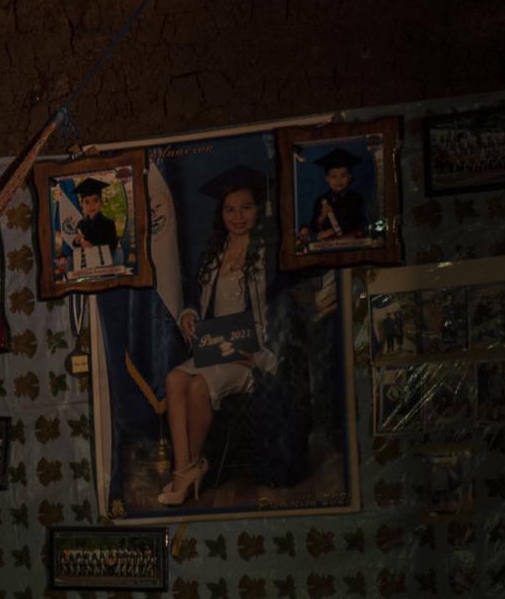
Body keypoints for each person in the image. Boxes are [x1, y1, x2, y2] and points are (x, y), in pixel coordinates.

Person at [156, 167, 278, 507]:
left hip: (247, 355)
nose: (237, 217)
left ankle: (186, 473)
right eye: (229, 209)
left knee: (196, 386)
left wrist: (257, 355)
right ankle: (186, 469)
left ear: (259, 209)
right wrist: (190, 316)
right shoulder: (214, 255)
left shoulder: (268, 256)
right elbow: (198, 302)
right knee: (174, 378)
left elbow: (280, 316)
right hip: (216, 347)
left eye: (246, 207)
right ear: (220, 214)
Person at [305, 148, 368, 247]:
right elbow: (314, 228)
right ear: (327, 178)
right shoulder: (321, 200)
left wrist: (331, 232)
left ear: (350, 177)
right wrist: (322, 215)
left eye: (343, 175)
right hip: (326, 246)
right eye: (333, 176)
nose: (338, 180)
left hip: (351, 243)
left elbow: (357, 222)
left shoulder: (357, 199)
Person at [67, 178, 121, 276]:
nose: (91, 205)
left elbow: (113, 245)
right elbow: (76, 245)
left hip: (104, 265)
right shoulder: (81, 224)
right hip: (87, 265)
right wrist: (77, 240)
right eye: (87, 202)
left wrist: (94, 247)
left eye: (95, 201)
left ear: (101, 202)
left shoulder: (108, 223)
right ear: (82, 205)